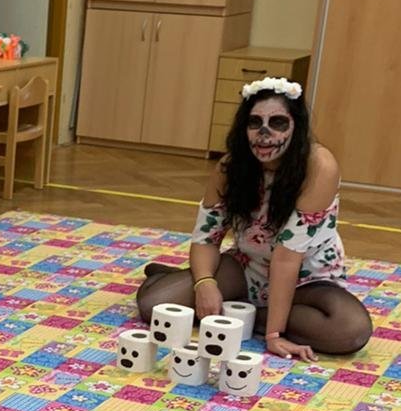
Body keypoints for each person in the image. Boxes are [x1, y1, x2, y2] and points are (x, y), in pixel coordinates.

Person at [136, 78, 372, 360]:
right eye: (254, 122)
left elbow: (286, 259)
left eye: (278, 123)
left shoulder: (319, 166)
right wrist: (205, 284)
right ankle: (217, 296)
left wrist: (274, 335)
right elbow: (207, 238)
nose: (264, 133)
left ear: (297, 127)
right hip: (249, 268)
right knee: (154, 304)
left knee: (350, 330)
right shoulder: (230, 166)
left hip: (306, 278)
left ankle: (247, 314)